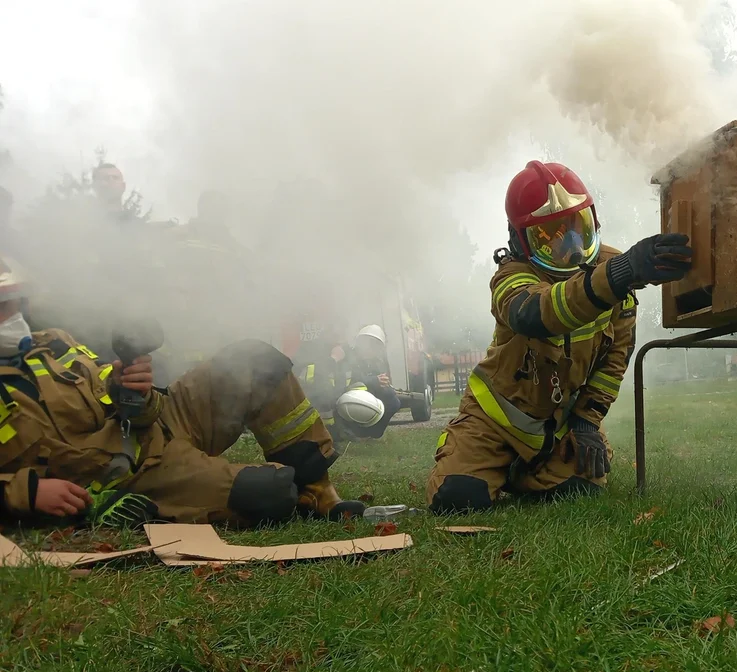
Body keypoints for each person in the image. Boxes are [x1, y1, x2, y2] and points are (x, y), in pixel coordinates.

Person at [0, 253, 365, 528]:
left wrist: (133, 390)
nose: (14, 315)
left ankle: (319, 491)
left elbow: (127, 406)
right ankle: (140, 509)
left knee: (256, 361)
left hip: (162, 421)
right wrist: (26, 493)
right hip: (130, 474)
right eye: (4, 306)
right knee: (271, 493)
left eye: (16, 302)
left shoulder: (54, 343)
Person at [424, 160, 692, 514]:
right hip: (493, 423)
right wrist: (618, 274)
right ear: (521, 242)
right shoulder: (512, 277)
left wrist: (586, 421)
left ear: (593, 220)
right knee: (457, 500)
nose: (572, 247)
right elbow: (540, 314)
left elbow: (615, 359)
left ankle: (521, 473)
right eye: (551, 237)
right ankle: (482, 461)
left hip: (559, 427)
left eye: (577, 228)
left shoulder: (616, 270)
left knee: (581, 491)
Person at [296, 324, 401, 444]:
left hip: (342, 397)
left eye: (374, 346)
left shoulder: (374, 362)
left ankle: (371, 433)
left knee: (392, 400)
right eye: (368, 344)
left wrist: (386, 386)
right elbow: (343, 380)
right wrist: (373, 381)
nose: (369, 349)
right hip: (331, 399)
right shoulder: (345, 356)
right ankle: (343, 432)